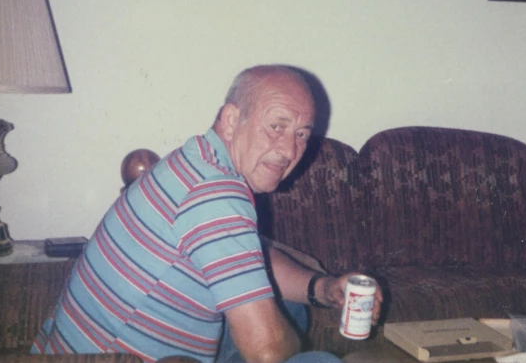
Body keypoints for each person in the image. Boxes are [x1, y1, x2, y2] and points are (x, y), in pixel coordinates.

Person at [31, 65, 383, 363]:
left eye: (302, 133)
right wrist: (298, 349)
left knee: (292, 311)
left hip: (64, 351)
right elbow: (266, 351)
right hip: (111, 357)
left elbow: (247, 256)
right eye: (277, 126)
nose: (290, 150)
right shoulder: (216, 193)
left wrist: (322, 288)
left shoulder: (195, 160)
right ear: (231, 120)